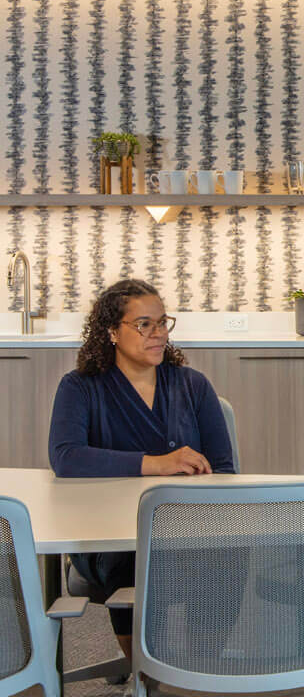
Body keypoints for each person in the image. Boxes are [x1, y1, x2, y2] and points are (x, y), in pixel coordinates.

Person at [48, 277, 236, 654]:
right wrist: (156, 464)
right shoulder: (81, 387)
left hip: (188, 530)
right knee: (135, 556)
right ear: (112, 332)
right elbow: (66, 456)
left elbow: (224, 470)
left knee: (228, 553)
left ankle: (204, 666)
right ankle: (142, 671)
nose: (158, 334)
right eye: (144, 324)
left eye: (163, 322)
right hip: (107, 536)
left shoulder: (193, 385)